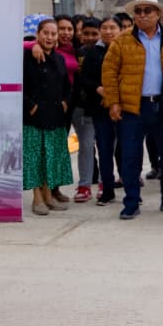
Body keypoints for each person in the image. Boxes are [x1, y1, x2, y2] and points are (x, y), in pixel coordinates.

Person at [102, 0, 163, 220]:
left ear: (158, 14)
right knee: (130, 155)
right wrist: (113, 102)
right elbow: (109, 72)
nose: (142, 15)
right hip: (132, 107)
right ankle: (131, 202)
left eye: (148, 10)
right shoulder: (122, 40)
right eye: (138, 11)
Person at [23, 18, 73, 215]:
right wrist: (31, 107)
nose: (50, 37)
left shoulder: (59, 59)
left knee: (49, 157)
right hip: (34, 117)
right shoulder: (27, 56)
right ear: (38, 34)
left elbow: (67, 86)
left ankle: (48, 195)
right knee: (35, 158)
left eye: (53, 34)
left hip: (55, 116)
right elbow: (21, 86)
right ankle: (37, 199)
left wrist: (65, 103)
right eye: (46, 33)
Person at [78, 17, 119, 206]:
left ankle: (129, 187)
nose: (109, 31)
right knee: (103, 148)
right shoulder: (92, 52)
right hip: (100, 107)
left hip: (123, 106)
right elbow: (84, 78)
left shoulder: (125, 49)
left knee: (125, 150)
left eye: (113, 28)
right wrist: (99, 89)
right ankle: (106, 188)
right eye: (105, 28)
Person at [69, 17, 103, 202]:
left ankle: (105, 182)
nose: (90, 37)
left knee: (105, 146)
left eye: (94, 34)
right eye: (86, 33)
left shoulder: (107, 51)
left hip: (103, 106)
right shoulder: (76, 53)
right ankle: (84, 185)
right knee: (86, 145)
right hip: (81, 107)